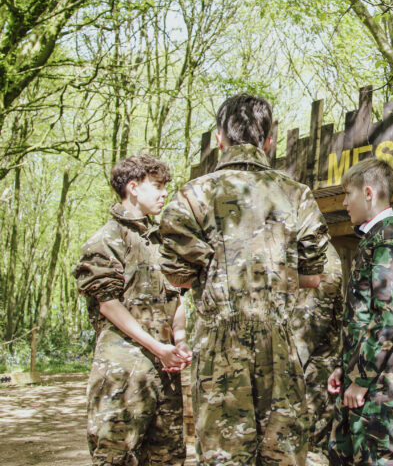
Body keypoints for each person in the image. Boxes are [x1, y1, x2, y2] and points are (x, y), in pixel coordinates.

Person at [158, 93, 329, 466]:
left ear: (219, 138)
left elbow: (178, 278)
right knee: (284, 455)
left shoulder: (191, 197)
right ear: (269, 141)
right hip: (281, 344)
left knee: (224, 458)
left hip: (219, 349)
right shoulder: (297, 196)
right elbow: (313, 278)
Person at [73, 154, 190, 466]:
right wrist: (157, 347)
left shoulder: (163, 242)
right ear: (134, 188)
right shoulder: (105, 240)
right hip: (123, 374)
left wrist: (180, 341)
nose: (165, 193)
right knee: (116, 456)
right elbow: (108, 304)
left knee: (168, 457)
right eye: (158, 186)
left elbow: (176, 298)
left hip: (165, 372)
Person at [327, 157, 393, 466]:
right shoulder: (374, 238)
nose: (343, 203)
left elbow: (391, 319)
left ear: (368, 193)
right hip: (365, 373)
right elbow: (363, 316)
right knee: (346, 453)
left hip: (381, 376)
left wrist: (362, 379)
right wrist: (347, 369)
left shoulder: (391, 240)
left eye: (347, 194)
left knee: (379, 457)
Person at [289, 242, 343, 463]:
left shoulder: (319, 256)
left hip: (310, 375)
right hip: (301, 371)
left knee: (310, 450)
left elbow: (306, 331)